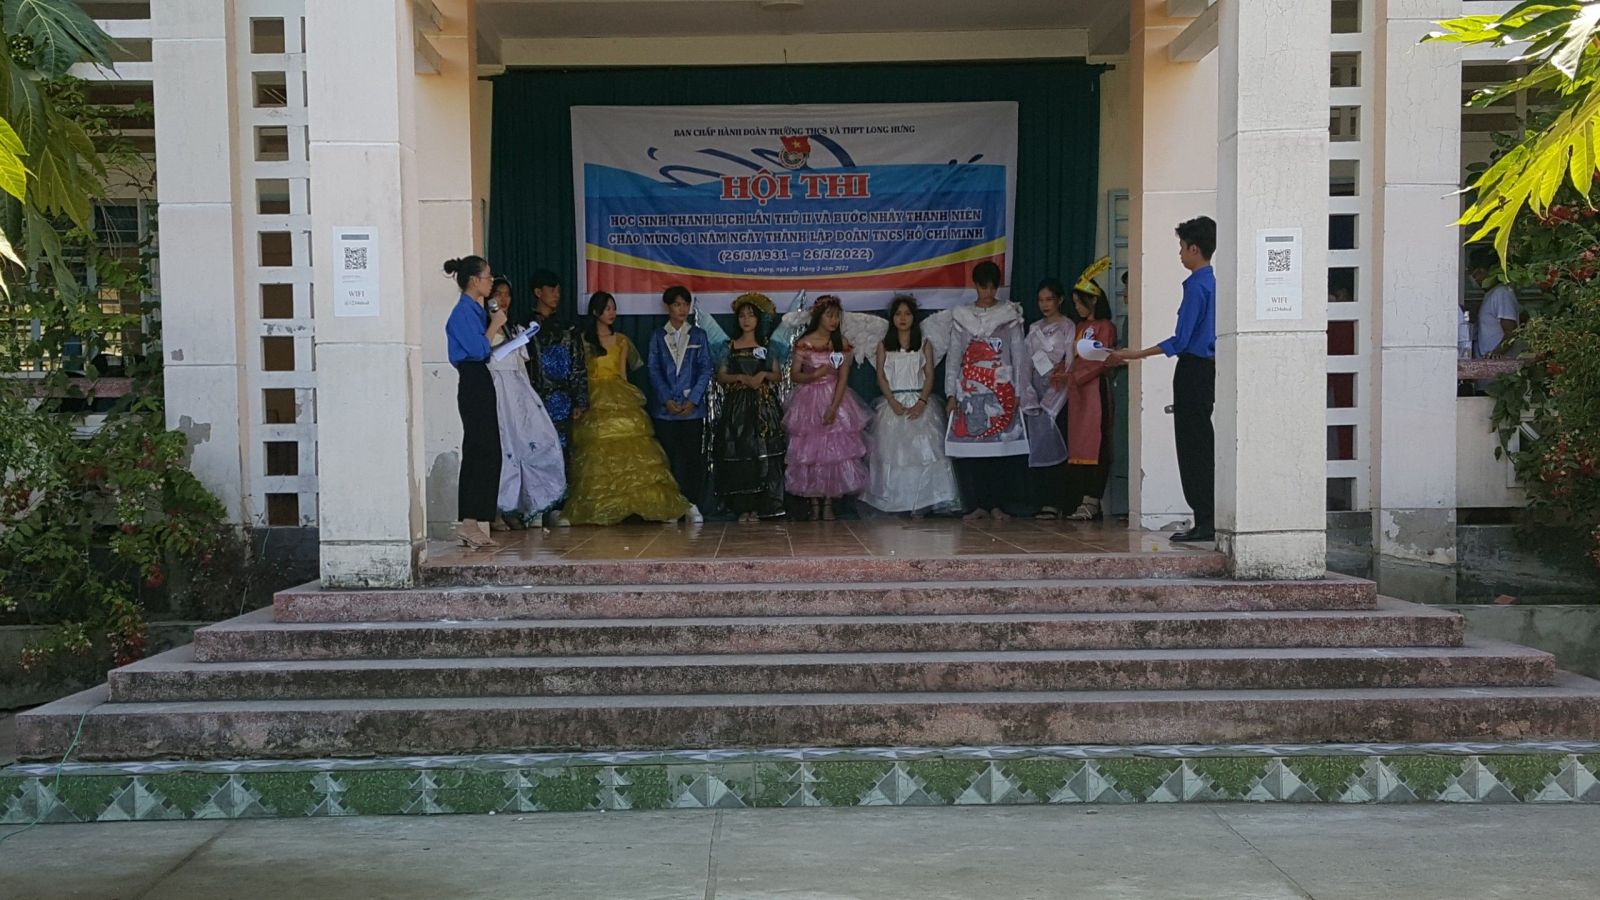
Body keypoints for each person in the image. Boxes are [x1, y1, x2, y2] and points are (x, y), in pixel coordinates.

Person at [1108, 216, 1216, 543]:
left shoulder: (1197, 286)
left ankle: (1204, 518)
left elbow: (1181, 340)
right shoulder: (1213, 283)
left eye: (1182, 247)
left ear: (1194, 249)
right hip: (1207, 370)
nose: (1180, 254)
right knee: (1202, 443)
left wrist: (1137, 354)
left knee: (1191, 446)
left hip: (1192, 369)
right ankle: (1207, 516)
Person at [563, 290, 690, 526]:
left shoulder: (621, 340)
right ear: (595, 312)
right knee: (598, 448)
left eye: (613, 308)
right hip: (593, 394)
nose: (612, 313)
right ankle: (602, 504)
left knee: (633, 447)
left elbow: (623, 374)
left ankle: (639, 504)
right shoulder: (583, 340)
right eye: (607, 309)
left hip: (618, 392)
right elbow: (578, 372)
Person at [944, 260, 1032, 521]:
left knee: (998, 450)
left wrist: (1019, 391)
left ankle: (997, 505)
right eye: (983, 288)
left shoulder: (1009, 314)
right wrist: (951, 393)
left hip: (1001, 388)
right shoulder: (962, 315)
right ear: (975, 286)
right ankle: (976, 505)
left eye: (993, 288)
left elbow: (1019, 355)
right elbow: (954, 356)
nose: (988, 293)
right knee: (972, 448)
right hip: (969, 391)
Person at [861, 294, 959, 517]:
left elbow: (929, 374)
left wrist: (922, 402)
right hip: (893, 404)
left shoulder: (924, 344)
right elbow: (880, 377)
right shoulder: (884, 345)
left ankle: (922, 503)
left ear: (914, 317)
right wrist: (892, 401)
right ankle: (897, 503)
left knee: (923, 454)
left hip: (920, 403)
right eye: (898, 314)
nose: (903, 318)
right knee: (894, 456)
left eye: (907, 314)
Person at [485, 277, 566, 529]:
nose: (503, 299)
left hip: (518, 395)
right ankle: (496, 509)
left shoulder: (514, 329)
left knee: (528, 444)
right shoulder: (484, 330)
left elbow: (522, 366)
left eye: (507, 294)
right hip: (496, 391)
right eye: (498, 294)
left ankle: (519, 506)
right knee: (502, 447)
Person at [784, 295, 870, 521]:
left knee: (832, 451)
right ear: (818, 317)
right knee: (811, 452)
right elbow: (795, 375)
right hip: (808, 400)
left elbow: (843, 377)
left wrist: (834, 407)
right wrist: (814, 375)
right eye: (829, 316)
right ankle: (814, 503)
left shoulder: (841, 343)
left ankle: (829, 502)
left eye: (836, 316)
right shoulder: (804, 342)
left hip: (835, 397)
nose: (833, 321)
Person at [442, 255, 504, 550]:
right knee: (481, 448)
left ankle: (476, 520)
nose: (491, 282)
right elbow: (479, 349)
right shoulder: (461, 313)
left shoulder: (475, 310)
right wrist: (495, 325)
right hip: (472, 379)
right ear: (474, 280)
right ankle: (469, 522)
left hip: (481, 377)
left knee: (488, 449)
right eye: (488, 277)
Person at [714, 292, 787, 522]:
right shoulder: (729, 346)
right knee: (740, 453)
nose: (746, 320)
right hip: (737, 407)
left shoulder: (768, 346)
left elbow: (777, 375)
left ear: (759, 319)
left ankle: (762, 505)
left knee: (763, 455)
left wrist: (762, 374)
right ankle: (741, 507)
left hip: (763, 407)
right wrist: (741, 378)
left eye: (751, 315)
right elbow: (721, 376)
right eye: (742, 316)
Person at [647, 285, 713, 523]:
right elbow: (653, 369)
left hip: (691, 411)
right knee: (668, 459)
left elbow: (706, 368)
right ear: (668, 307)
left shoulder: (698, 335)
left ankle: (691, 504)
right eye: (677, 304)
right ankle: (670, 506)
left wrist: (693, 399)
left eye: (686, 304)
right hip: (665, 411)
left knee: (692, 459)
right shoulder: (657, 336)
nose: (682, 309)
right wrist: (666, 398)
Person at [527, 269, 589, 524]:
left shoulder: (567, 327)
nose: (556, 295)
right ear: (538, 292)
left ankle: (558, 505)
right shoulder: (524, 326)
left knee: (561, 450)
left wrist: (580, 398)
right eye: (551, 290)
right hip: (532, 398)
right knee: (533, 450)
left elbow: (577, 364)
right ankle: (534, 506)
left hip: (561, 398)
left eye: (559, 290)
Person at [1062, 265, 1119, 522]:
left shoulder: (1105, 327)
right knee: (1079, 446)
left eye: (1080, 302)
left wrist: (1079, 376)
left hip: (1095, 391)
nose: (1077, 307)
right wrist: (1064, 374)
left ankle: (1092, 500)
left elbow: (1103, 359)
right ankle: (1080, 498)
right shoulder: (1078, 327)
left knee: (1096, 443)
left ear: (1093, 300)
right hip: (1077, 393)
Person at [1025, 276, 1078, 519]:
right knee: (1040, 445)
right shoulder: (1034, 329)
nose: (1045, 304)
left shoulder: (1067, 326)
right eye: (1041, 300)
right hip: (1037, 391)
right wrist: (1028, 392)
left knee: (1060, 443)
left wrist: (1057, 388)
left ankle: (1059, 501)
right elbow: (1026, 363)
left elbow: (1070, 361)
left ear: (1060, 300)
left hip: (1059, 392)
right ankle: (1043, 499)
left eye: (1049, 299)